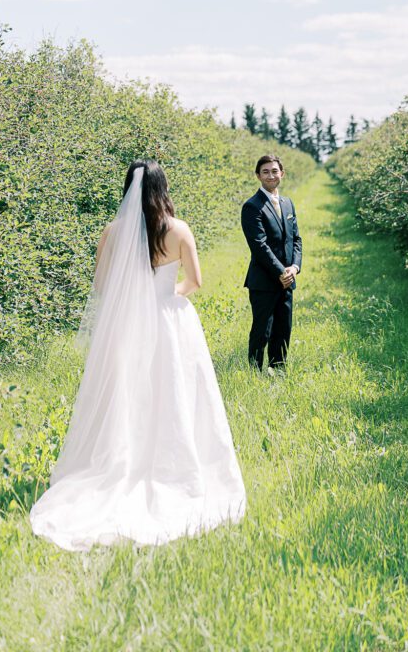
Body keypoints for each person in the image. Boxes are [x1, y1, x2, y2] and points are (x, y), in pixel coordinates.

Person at [29, 159, 246, 551]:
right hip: (170, 320)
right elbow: (194, 282)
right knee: (175, 391)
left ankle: (121, 460)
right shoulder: (178, 230)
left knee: (127, 393)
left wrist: (135, 297)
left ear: (127, 190)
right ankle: (177, 465)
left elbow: (100, 286)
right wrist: (163, 296)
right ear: (162, 187)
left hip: (129, 323)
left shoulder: (112, 232)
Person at [241, 154, 303, 373]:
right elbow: (259, 245)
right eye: (265, 171)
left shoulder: (288, 204)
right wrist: (280, 272)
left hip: (288, 278)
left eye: (274, 171)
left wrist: (294, 268)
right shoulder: (252, 206)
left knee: (283, 329)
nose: (270, 175)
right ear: (258, 175)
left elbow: (296, 239)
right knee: (262, 331)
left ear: (282, 174)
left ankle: (278, 371)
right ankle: (254, 373)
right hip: (264, 280)